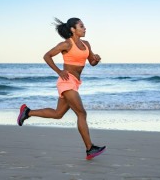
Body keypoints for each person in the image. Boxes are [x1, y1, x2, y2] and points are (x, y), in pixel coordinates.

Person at [17, 17, 106, 160]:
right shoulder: (66, 44)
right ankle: (90, 148)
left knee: (58, 114)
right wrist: (59, 71)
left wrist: (96, 59)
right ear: (73, 29)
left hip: (75, 82)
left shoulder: (86, 44)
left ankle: (27, 112)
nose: (85, 28)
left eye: (84, 26)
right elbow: (47, 56)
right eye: (81, 26)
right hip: (66, 81)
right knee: (81, 113)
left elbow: (91, 62)